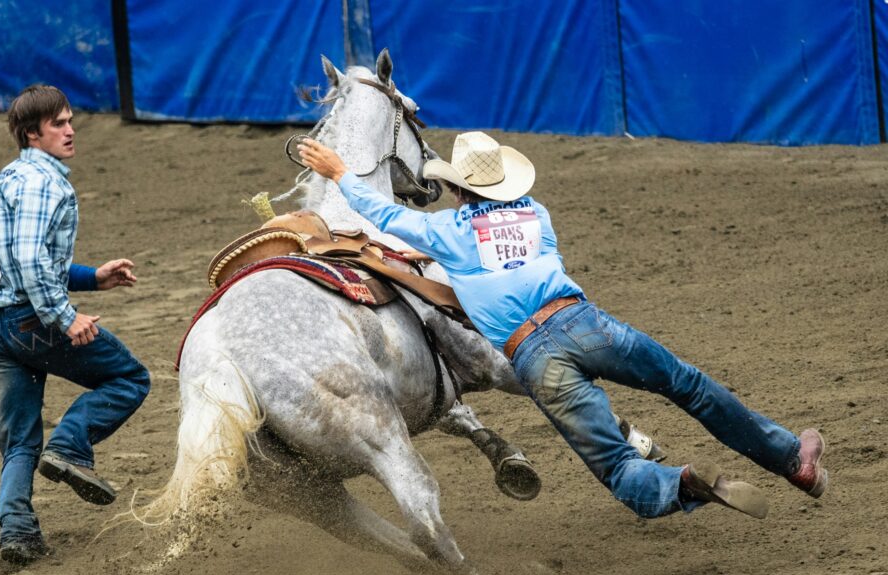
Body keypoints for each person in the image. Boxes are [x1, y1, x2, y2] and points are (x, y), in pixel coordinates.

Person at [297, 131, 827, 520]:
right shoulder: (538, 216)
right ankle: (791, 460)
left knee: (618, 469)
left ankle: (682, 485)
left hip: (534, 355)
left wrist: (340, 171)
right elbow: (504, 261)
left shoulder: (449, 231)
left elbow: (384, 216)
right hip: (583, 322)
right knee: (687, 385)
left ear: (458, 191)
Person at [0, 85, 151, 564]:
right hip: (30, 321)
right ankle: (71, 447)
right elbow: (30, 263)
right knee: (129, 377)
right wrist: (65, 317)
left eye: (70, 121)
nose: (70, 131)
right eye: (59, 124)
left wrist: (94, 278)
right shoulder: (45, 183)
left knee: (20, 440)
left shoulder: (6, 178)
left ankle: (18, 532)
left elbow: (20, 261)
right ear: (33, 133)